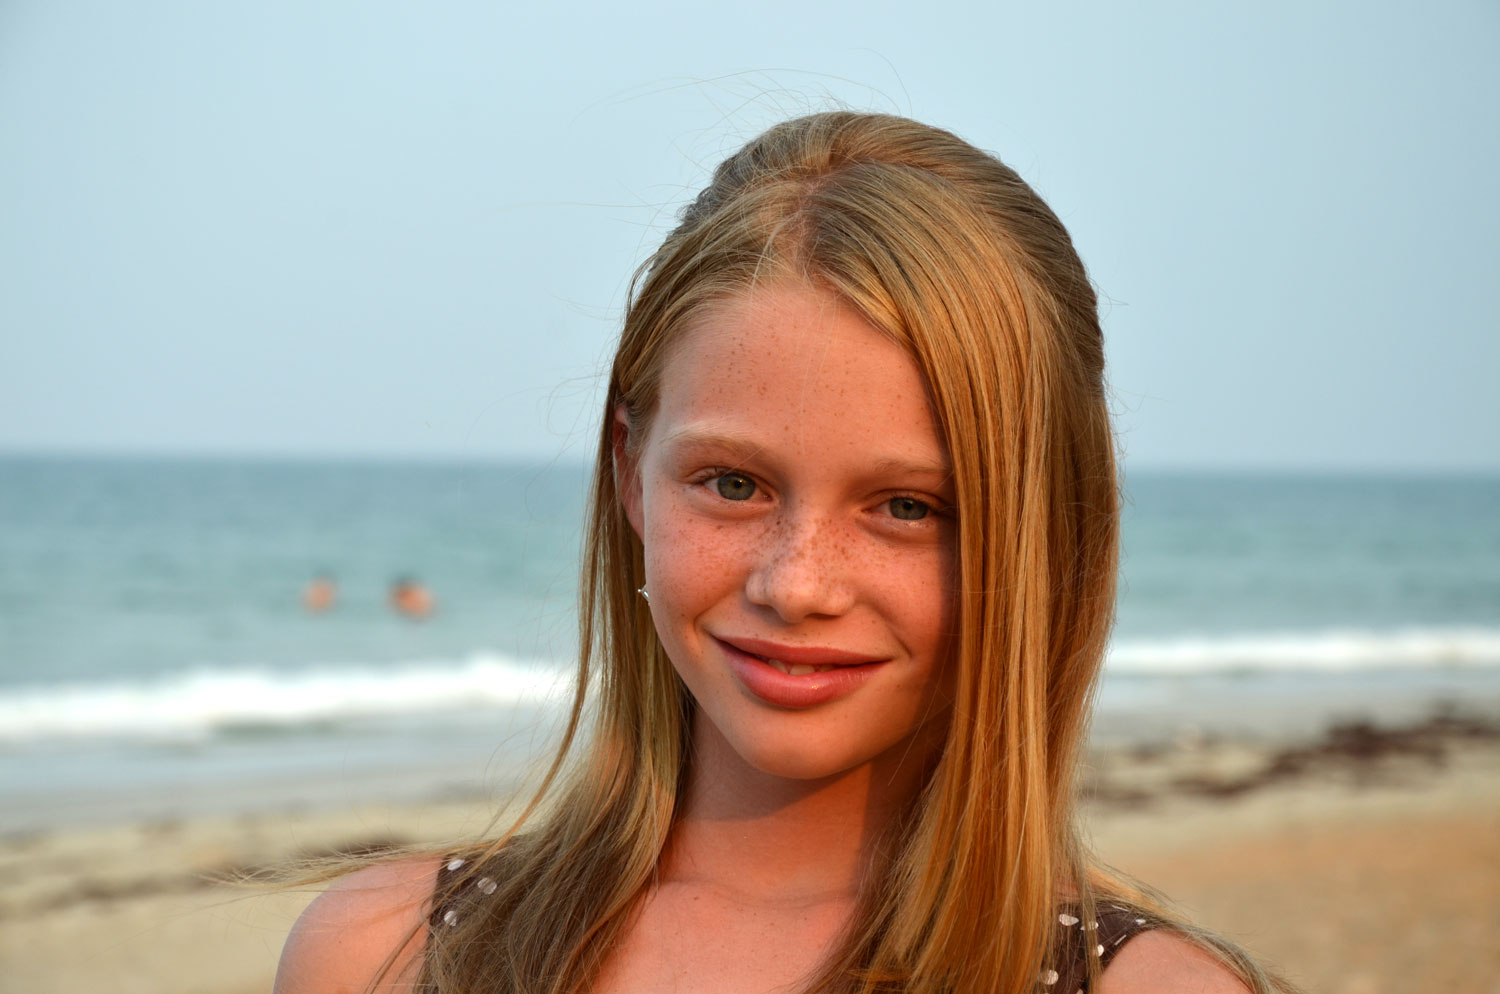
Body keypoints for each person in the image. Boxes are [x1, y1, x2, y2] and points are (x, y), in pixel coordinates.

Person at [275, 112, 1289, 994]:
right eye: (733, 484)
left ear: (1046, 529)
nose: (795, 583)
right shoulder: (382, 958)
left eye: (908, 505)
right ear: (630, 471)